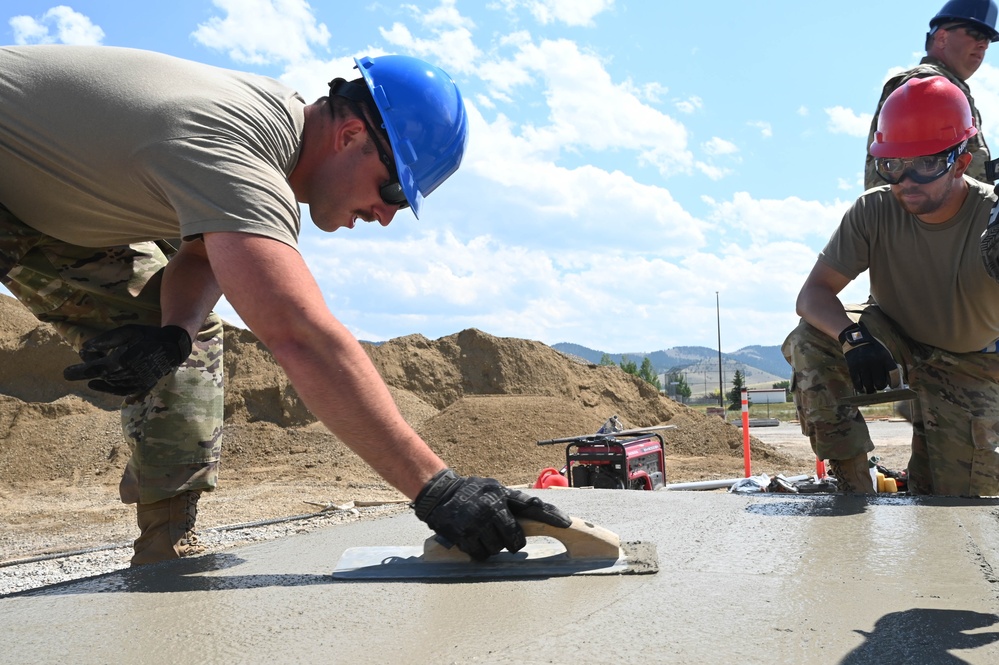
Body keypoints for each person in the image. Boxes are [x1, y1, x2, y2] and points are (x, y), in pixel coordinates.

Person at [0, 44, 571, 565]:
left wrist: (173, 333)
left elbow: (199, 259)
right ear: (350, 136)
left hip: (42, 201)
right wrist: (438, 488)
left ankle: (164, 544)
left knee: (188, 343)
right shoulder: (236, 152)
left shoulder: (269, 139)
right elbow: (299, 336)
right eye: (393, 189)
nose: (386, 214)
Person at [783, 75, 999, 497]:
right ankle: (853, 486)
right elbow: (812, 295)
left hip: (971, 361)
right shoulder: (874, 209)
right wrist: (853, 338)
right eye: (892, 165)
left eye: (925, 165)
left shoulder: (992, 218)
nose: (906, 181)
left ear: (960, 160)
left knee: (951, 505)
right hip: (894, 337)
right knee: (811, 340)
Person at [863, 0, 998, 190]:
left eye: (988, 40)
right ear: (942, 37)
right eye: (976, 34)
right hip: (923, 216)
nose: (983, 45)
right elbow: (913, 175)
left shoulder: (947, 86)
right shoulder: (927, 84)